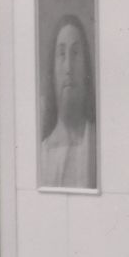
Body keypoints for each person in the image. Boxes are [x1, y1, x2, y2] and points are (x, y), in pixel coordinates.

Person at [39, 13, 97, 189]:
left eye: (76, 53)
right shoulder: (41, 156)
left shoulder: (99, 143)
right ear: (52, 70)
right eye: (62, 54)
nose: (69, 67)